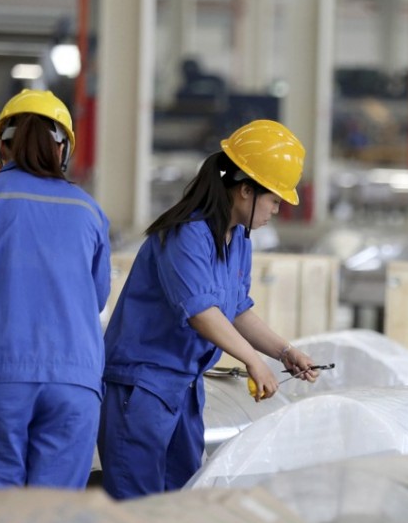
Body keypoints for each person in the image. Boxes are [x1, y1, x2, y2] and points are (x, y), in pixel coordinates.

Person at [98, 119, 319, 499]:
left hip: (183, 389)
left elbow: (235, 311)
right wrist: (253, 361)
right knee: (137, 507)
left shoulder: (238, 241)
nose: (277, 210)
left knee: (182, 501)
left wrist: (284, 352)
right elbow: (202, 312)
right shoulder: (186, 234)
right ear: (245, 190)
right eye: (274, 200)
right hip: (143, 389)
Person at [0, 89, 111, 489]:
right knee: (52, 518)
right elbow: (97, 296)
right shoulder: (88, 210)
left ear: (4, 145)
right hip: (75, 379)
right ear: (63, 149)